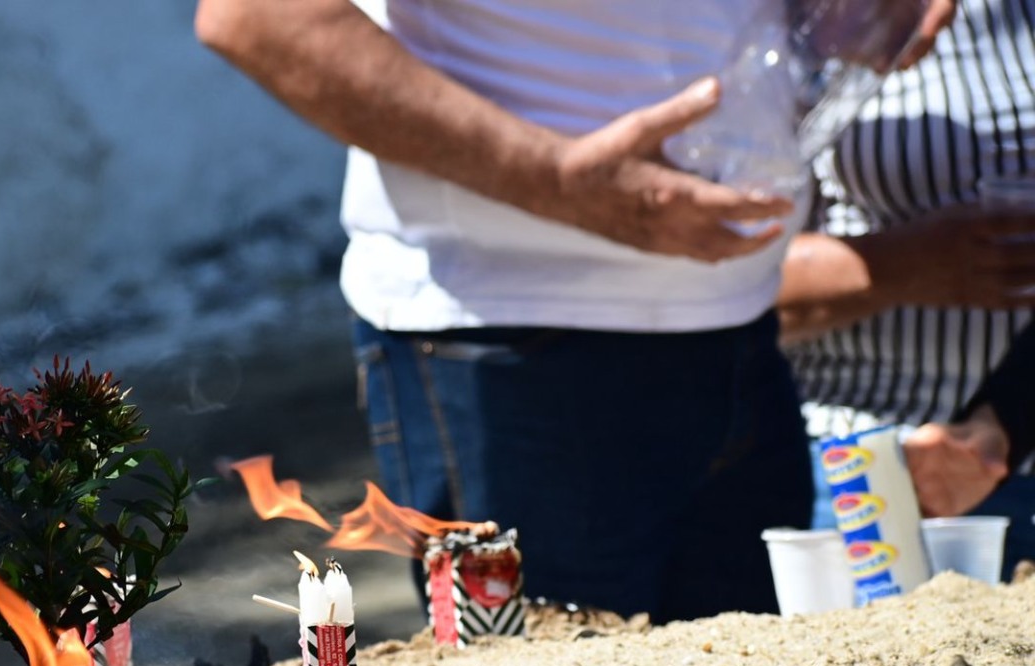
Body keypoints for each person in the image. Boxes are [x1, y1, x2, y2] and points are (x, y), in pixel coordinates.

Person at [196, 0, 953, 622]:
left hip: (741, 336)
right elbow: (261, 18)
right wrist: (556, 178)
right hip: (505, 350)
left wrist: (822, 16)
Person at [779, 0, 1035, 581]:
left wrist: (1003, 421)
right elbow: (700, 290)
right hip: (859, 467)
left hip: (1012, 444)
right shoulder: (815, 22)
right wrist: (901, 266)